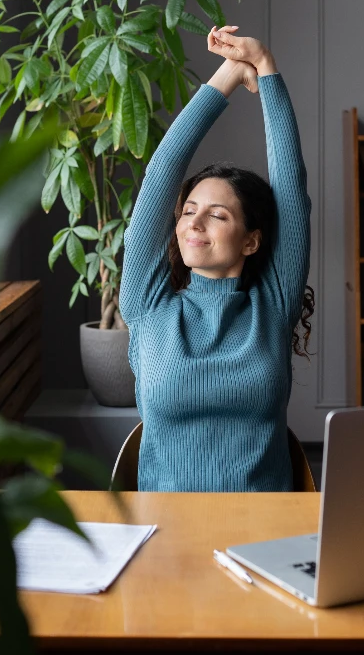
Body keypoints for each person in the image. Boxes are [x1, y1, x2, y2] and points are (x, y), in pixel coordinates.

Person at [118, 26, 313, 491]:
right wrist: (226, 76)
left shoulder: (274, 301)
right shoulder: (148, 305)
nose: (193, 223)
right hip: (167, 528)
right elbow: (163, 170)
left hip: (267, 530)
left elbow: (291, 188)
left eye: (217, 215)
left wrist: (265, 67)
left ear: (251, 241)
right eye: (188, 211)